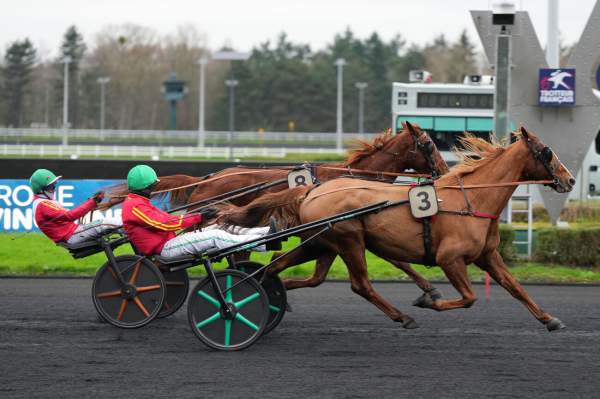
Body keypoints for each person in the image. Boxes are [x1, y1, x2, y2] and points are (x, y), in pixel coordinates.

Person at [121, 165, 280, 259]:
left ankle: (265, 233)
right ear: (147, 186)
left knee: (220, 227)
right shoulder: (135, 206)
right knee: (215, 237)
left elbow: (166, 220)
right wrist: (199, 217)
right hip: (165, 249)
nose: (155, 188)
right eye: (153, 185)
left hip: (169, 242)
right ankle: (262, 243)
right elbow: (165, 224)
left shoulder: (139, 203)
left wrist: (200, 217)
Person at [29, 169, 122, 245]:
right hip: (72, 236)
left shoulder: (41, 202)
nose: (54, 189)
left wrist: (91, 203)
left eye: (54, 185)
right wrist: (93, 202)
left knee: (106, 223)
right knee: (105, 223)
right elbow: (70, 216)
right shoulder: (43, 205)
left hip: (72, 233)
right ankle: (130, 229)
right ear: (41, 189)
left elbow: (69, 215)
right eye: (51, 186)